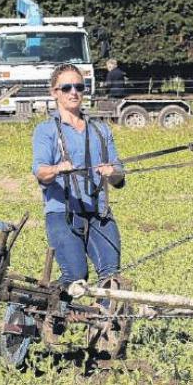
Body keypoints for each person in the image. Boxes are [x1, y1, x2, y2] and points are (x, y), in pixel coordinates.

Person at [32, 64, 126, 288]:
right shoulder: (46, 131)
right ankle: (47, 310)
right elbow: (40, 171)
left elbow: (119, 178)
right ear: (54, 92)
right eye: (66, 87)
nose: (73, 92)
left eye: (79, 87)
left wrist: (112, 172)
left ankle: (106, 322)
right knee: (76, 277)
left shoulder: (101, 131)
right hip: (63, 213)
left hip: (99, 211)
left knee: (111, 277)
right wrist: (57, 169)